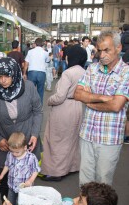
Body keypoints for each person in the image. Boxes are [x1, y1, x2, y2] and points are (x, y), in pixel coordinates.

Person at [74, 30, 129, 186]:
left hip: (109, 138)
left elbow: (116, 105)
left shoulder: (126, 72)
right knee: (85, 182)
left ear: (118, 48)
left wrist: (90, 101)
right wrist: (103, 98)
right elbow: (77, 93)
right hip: (87, 134)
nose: (102, 54)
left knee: (103, 183)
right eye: (99, 50)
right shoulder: (92, 68)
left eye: (107, 50)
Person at [0, 57, 43, 201]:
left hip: (27, 140)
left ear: (15, 74)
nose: (3, 80)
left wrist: (35, 134)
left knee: (27, 180)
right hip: (4, 144)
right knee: (4, 181)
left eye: (7, 76)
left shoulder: (29, 87)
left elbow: (37, 111)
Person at [41, 45, 87, 181]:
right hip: (78, 106)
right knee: (72, 139)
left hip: (64, 107)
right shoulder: (84, 71)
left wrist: (49, 100)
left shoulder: (68, 73)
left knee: (57, 140)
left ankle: (56, 172)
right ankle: (72, 166)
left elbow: (60, 96)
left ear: (71, 57)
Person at [0, 132, 40, 205]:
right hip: (12, 186)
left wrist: (30, 181)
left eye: (17, 152)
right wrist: (2, 175)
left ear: (25, 147)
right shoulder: (10, 155)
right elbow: (7, 165)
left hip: (24, 189)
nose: (14, 154)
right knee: (10, 204)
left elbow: (35, 170)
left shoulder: (31, 157)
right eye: (12, 151)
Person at [24, 37, 49, 102]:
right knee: (40, 91)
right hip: (41, 73)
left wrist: (24, 73)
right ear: (43, 44)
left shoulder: (30, 51)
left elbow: (26, 63)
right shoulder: (45, 53)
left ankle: (30, 106)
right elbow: (48, 61)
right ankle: (39, 108)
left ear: (35, 43)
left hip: (32, 73)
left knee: (30, 91)